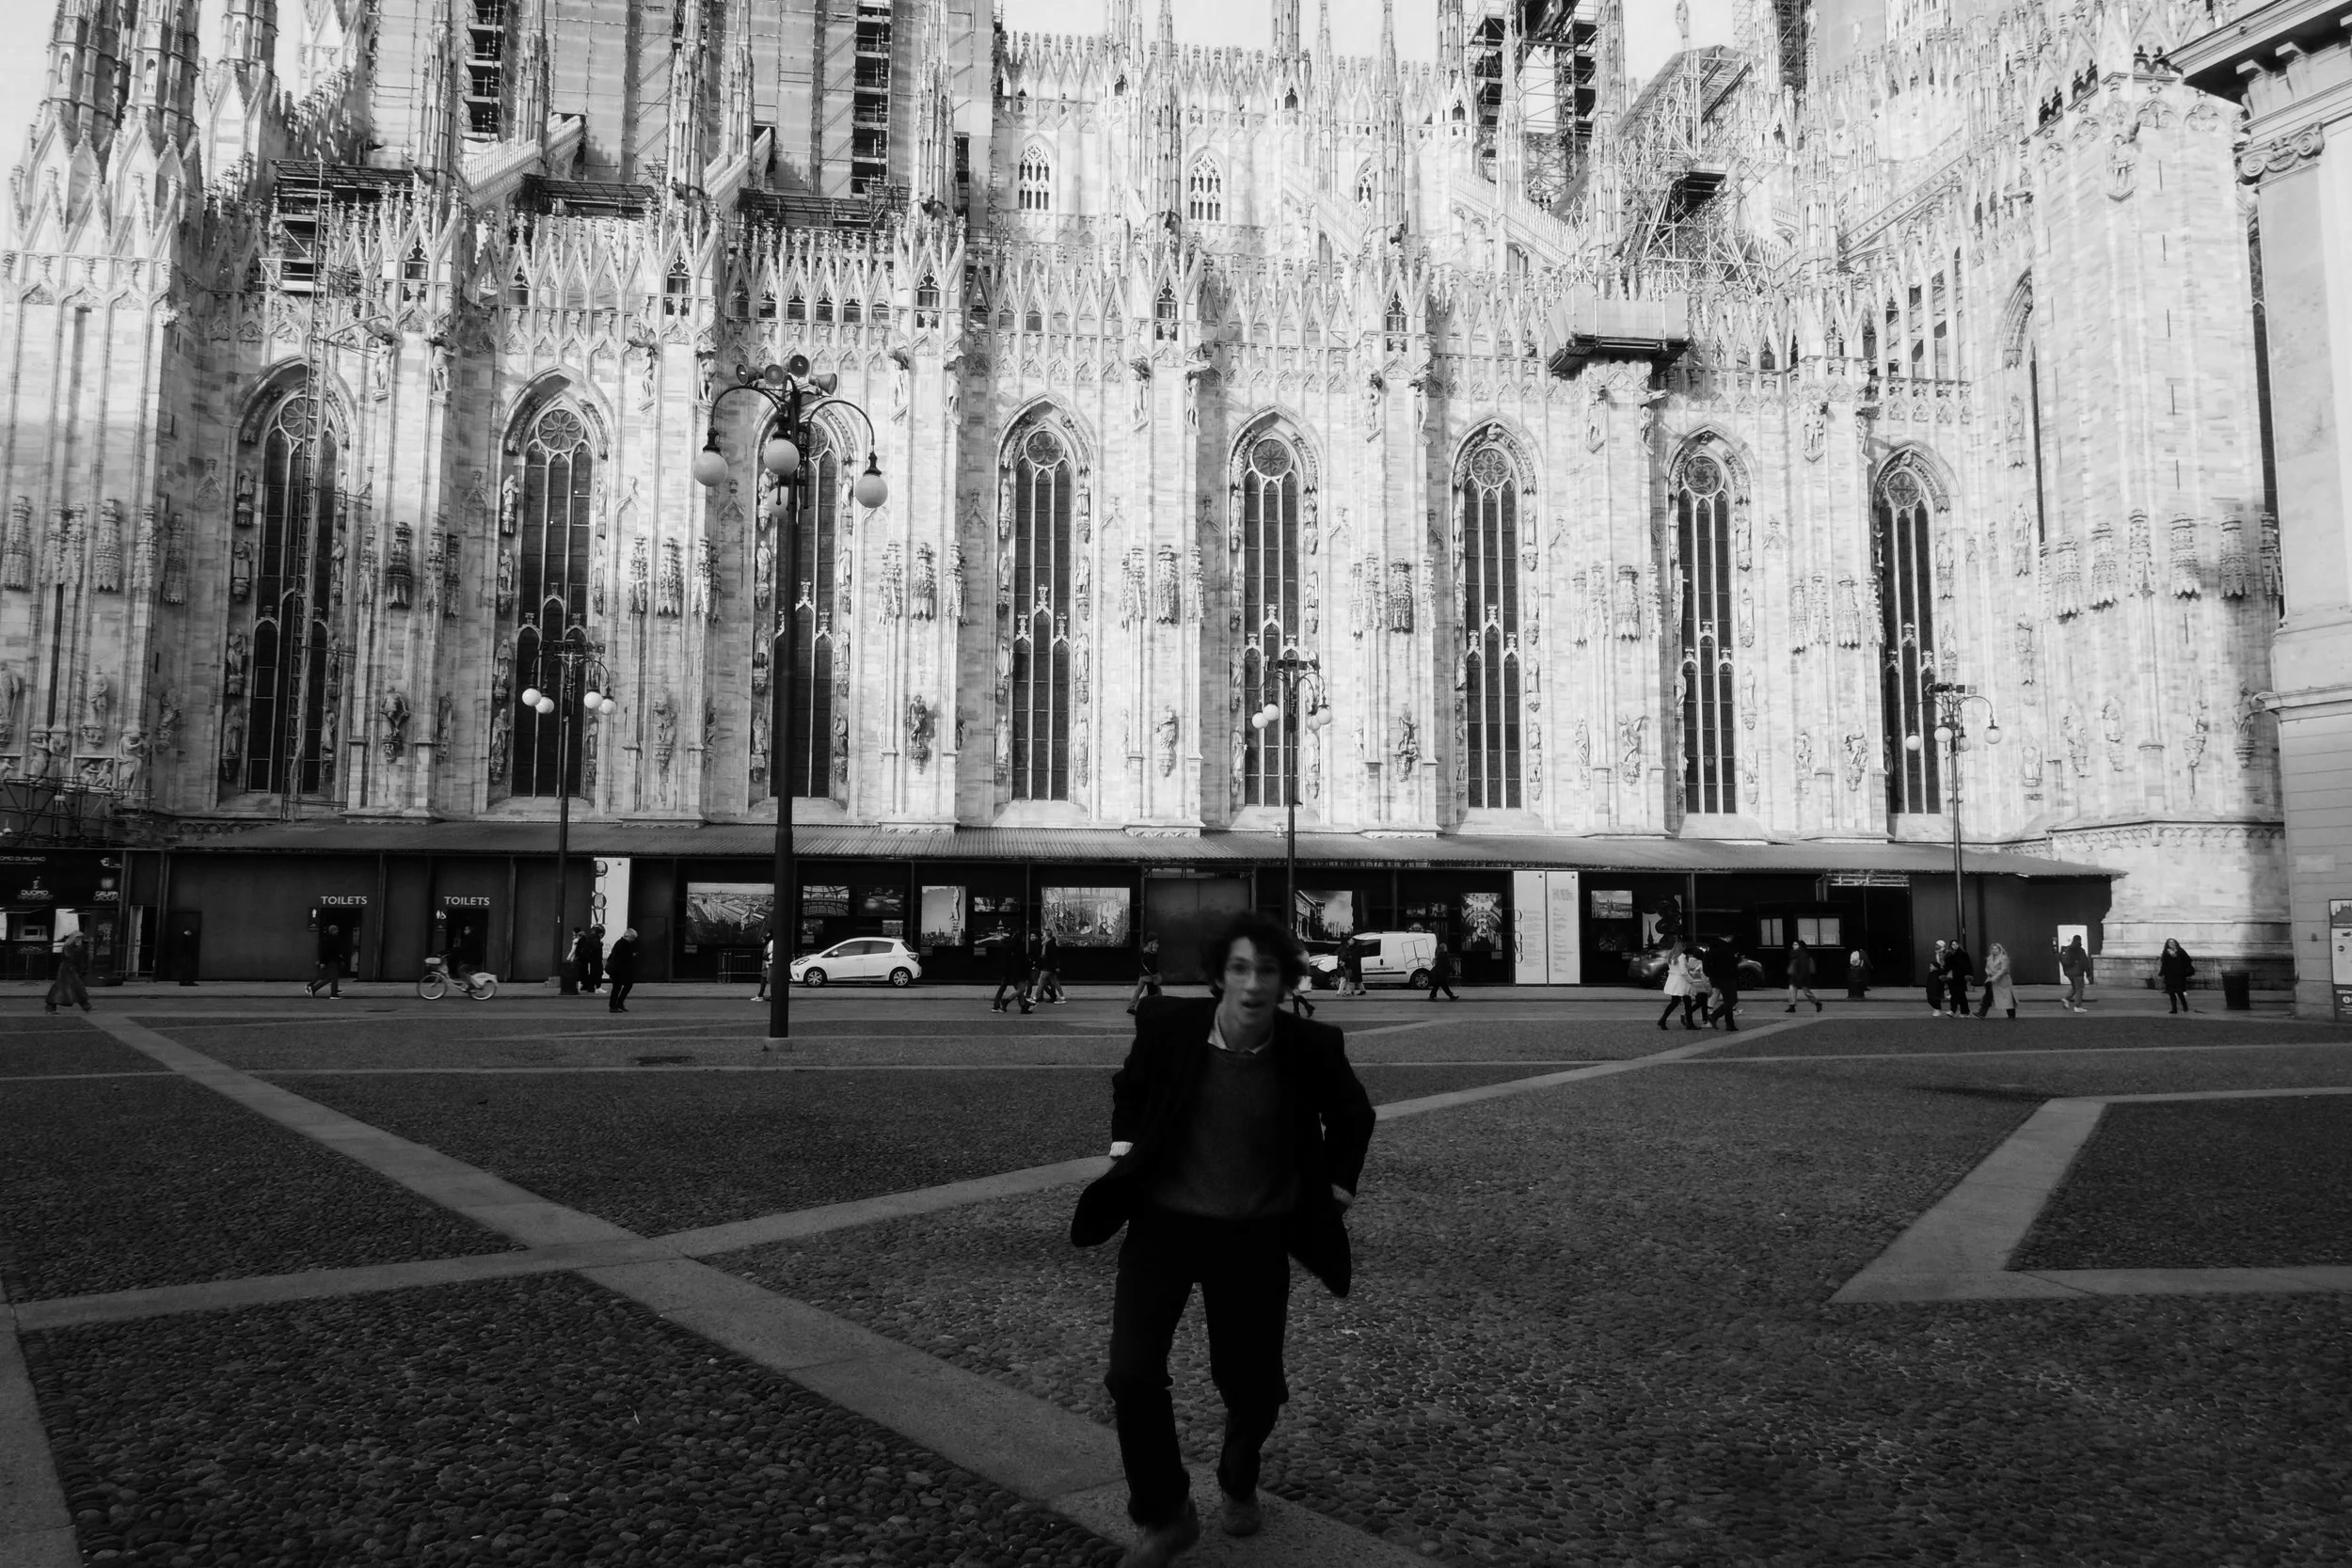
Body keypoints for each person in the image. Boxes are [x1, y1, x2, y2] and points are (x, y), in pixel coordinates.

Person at [1070, 912, 1376, 1568]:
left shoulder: (1311, 1045)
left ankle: (1239, 1474)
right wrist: (1123, 1145)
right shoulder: (1168, 1025)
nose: (1253, 983)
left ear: (1284, 981)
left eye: (1267, 970)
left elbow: (1354, 1114)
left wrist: (1339, 1190)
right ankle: (1165, 1512)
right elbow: (1131, 1085)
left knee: (1252, 1385)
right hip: (1164, 1225)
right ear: (1218, 977)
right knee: (1131, 1373)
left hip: (1253, 1233)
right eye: (1240, 968)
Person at [46, 928, 92, 1014]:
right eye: (78, 938)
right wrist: (79, 949)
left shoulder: (74, 947)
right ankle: (50, 1007)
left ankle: (86, 1006)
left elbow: (80, 958)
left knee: (76, 987)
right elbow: (70, 957)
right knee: (66, 987)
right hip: (67, 969)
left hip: (71, 969)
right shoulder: (68, 946)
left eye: (81, 938)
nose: (79, 940)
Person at [1658, 941, 1701, 1029]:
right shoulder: (1681, 956)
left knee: (1675, 1002)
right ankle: (1689, 1023)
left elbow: (1678, 968)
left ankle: (1663, 1020)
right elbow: (1683, 971)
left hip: (1673, 981)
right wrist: (1691, 980)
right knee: (1687, 1003)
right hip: (1681, 982)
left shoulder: (1672, 956)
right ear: (1682, 947)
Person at [1700, 937, 1740, 1030]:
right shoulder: (1726, 949)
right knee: (1731, 1000)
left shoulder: (1711, 949)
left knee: (1728, 1001)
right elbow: (1731, 962)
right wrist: (1736, 959)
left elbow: (1706, 964)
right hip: (1727, 977)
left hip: (1715, 977)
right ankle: (1716, 1016)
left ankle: (1729, 1023)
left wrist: (1710, 974)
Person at [993, 931, 1036, 1014]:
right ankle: (1006, 1001)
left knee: (1018, 989)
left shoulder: (1011, 947)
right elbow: (1023, 961)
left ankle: (1022, 1007)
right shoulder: (1020, 948)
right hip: (1019, 972)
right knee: (1021, 989)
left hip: (1012, 972)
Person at [1977, 942, 2017, 1019]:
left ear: (1999, 949)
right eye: (1993, 949)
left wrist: (1994, 977)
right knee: (1988, 996)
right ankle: (1982, 1013)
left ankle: (2011, 1015)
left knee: (2007, 998)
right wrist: (1989, 974)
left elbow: (2004, 970)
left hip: (2003, 981)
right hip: (1993, 981)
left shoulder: (2004, 958)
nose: (1994, 950)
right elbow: (1987, 968)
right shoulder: (1989, 958)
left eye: (1996, 948)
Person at [306, 922, 344, 999]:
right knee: (333, 978)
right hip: (332, 961)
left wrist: (322, 961)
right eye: (336, 930)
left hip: (330, 961)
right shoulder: (332, 940)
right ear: (333, 931)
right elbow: (329, 952)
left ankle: (313, 988)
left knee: (329, 977)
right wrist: (322, 961)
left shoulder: (326, 939)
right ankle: (333, 994)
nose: (337, 932)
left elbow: (324, 952)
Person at [605, 927, 639, 1012]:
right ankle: (614, 1005)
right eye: (633, 938)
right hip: (619, 970)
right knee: (619, 987)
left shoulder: (620, 943)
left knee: (619, 987)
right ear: (629, 936)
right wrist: (632, 955)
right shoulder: (623, 944)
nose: (633, 940)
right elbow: (623, 957)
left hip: (617, 970)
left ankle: (617, 1004)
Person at [1785, 938, 1822, 1013]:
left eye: (1795, 944)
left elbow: (1804, 967)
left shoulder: (1803, 955)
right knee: (1792, 990)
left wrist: (1801, 977)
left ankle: (1817, 1003)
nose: (1793, 946)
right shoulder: (1793, 954)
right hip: (1795, 976)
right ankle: (1792, 1006)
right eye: (1793, 944)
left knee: (1807, 992)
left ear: (1800, 946)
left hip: (1802, 976)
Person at [1128, 933, 1163, 1015]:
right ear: (1153, 941)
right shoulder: (1151, 952)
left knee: (1139, 991)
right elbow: (1151, 965)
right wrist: (1155, 974)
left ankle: (1131, 1007)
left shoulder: (1144, 949)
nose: (1157, 944)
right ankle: (1159, 1005)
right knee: (1154, 992)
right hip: (1149, 976)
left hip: (1143, 974)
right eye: (1156, 941)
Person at [2159, 938, 2196, 1013]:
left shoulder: (2180, 951)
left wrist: (2184, 967)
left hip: (2179, 974)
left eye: (2173, 942)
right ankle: (2174, 1009)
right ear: (2167, 944)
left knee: (2179, 991)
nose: (2172, 943)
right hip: (2169, 975)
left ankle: (2185, 1006)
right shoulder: (2166, 952)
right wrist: (2162, 973)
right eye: (2170, 942)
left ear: (2176, 943)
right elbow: (2164, 964)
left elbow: (2188, 960)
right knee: (2171, 992)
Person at [2059, 934, 2093, 1012]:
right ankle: (2077, 1006)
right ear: (2080, 941)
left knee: (2075, 988)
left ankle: (2066, 999)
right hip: (2078, 973)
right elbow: (2085, 963)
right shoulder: (2080, 950)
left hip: (2069, 973)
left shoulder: (2067, 949)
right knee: (2080, 989)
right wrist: (2088, 974)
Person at [1943, 941, 1975, 1019]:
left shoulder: (1963, 954)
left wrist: (1969, 975)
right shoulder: (1949, 955)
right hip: (1952, 977)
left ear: (1959, 945)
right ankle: (1965, 1012)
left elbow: (1968, 965)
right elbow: (1947, 966)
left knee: (1957, 993)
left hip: (1961, 977)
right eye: (1953, 944)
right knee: (1959, 994)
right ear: (1951, 946)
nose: (1955, 945)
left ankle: (1953, 1011)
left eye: (1956, 944)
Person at [1425, 937, 1458, 1002]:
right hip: (1441, 974)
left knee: (1438, 986)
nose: (1446, 948)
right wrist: (1453, 971)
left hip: (1439, 974)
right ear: (1443, 949)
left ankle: (1432, 996)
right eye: (1445, 947)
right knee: (1444, 986)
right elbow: (1447, 966)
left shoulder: (1440, 955)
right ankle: (1451, 996)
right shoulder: (1444, 955)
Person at [1037, 931, 1066, 1005]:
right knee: (1054, 981)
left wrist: (1056, 966)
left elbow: (1053, 956)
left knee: (1041, 980)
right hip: (1050, 965)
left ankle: (1036, 997)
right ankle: (1062, 997)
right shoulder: (1048, 943)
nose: (1042, 935)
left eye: (1043, 934)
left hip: (1048, 965)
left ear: (1046, 935)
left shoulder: (1049, 944)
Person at [1925, 938, 1949, 1016]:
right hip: (1940, 969)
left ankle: (1947, 993)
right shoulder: (1938, 952)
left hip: (1944, 969)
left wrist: (1944, 968)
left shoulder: (1945, 952)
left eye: (1937, 945)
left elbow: (1945, 961)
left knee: (1946, 980)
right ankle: (1945, 994)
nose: (1936, 946)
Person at [581, 925, 606, 993]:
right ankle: (597, 987)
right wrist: (601, 944)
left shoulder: (590, 938)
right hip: (596, 959)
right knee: (598, 973)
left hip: (592, 959)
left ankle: (590, 987)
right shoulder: (596, 939)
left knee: (593, 973)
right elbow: (596, 947)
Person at [756, 932, 774, 1002]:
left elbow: (771, 953)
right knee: (768, 979)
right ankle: (762, 994)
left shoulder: (772, 942)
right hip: (769, 963)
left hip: (770, 963)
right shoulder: (770, 943)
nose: (762, 940)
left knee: (770, 979)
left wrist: (767, 957)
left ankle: (773, 995)